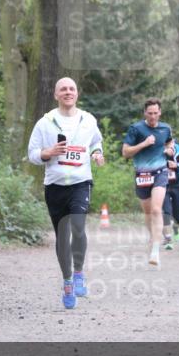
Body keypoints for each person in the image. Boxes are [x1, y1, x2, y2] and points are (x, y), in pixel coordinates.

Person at [27, 77, 105, 309]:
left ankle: (79, 273)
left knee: (78, 227)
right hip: (54, 186)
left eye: (71, 89)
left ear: (77, 94)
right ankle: (68, 281)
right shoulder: (45, 122)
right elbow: (32, 154)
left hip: (81, 183)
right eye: (63, 89)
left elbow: (96, 143)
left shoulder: (88, 120)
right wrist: (48, 152)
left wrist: (96, 154)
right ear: (56, 94)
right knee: (62, 237)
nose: (68, 92)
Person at [121, 98, 172, 266]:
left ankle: (155, 250)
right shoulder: (136, 129)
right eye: (149, 113)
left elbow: (169, 141)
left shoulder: (165, 128)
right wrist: (144, 143)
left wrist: (170, 148)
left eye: (155, 113)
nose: (152, 116)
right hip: (142, 174)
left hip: (160, 172)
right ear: (145, 113)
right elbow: (126, 153)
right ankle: (153, 237)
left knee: (157, 209)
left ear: (160, 112)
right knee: (149, 212)